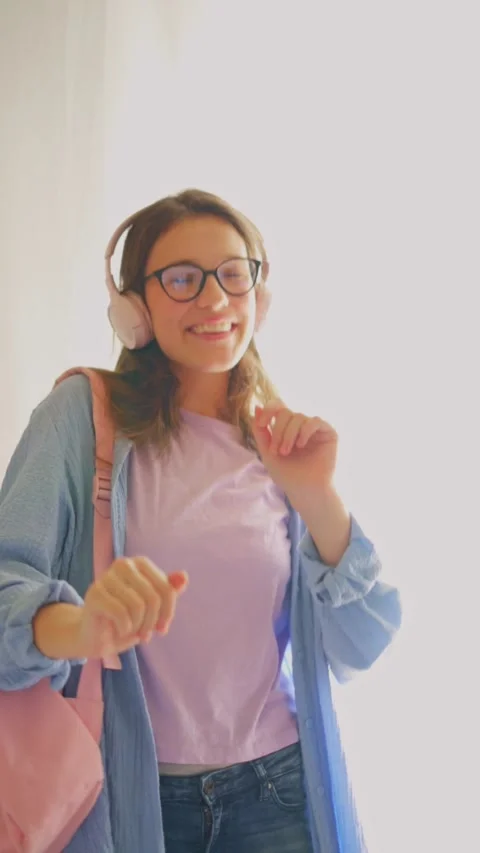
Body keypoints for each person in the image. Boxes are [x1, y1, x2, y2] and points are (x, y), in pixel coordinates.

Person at [0, 189, 402, 853]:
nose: (214, 300)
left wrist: (319, 499)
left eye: (233, 274)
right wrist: (79, 625)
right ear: (135, 307)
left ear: (258, 294)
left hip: (278, 790)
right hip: (129, 794)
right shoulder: (81, 419)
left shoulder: (279, 443)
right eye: (182, 279)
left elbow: (364, 644)